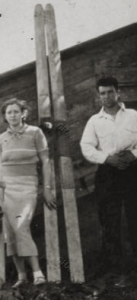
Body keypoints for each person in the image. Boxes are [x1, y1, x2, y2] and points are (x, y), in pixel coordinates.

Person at [80, 77, 137, 280]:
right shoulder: (95, 121)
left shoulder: (132, 115)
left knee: (135, 216)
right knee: (110, 219)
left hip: (133, 170)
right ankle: (117, 268)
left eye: (110, 92)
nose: (106, 96)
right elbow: (86, 147)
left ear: (118, 92)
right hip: (108, 173)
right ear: (98, 96)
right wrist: (107, 158)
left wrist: (134, 154)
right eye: (102, 93)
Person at [0, 98, 56, 288]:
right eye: (9, 112)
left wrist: (46, 189)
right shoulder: (0, 138)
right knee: (10, 233)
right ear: (5, 117)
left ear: (23, 113)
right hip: (7, 189)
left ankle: (38, 273)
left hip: (28, 186)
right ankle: (22, 276)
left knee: (21, 226)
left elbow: (46, 162)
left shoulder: (35, 132)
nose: (13, 115)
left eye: (16, 111)